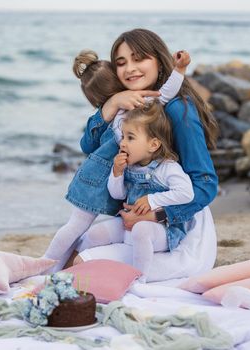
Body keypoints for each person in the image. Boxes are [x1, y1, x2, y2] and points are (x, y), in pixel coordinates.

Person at [72, 28, 219, 280]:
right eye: (121, 63)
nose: (130, 68)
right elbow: (89, 147)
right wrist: (111, 103)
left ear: (159, 62)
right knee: (81, 245)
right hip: (136, 222)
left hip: (178, 229)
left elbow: (206, 185)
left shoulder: (176, 109)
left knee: (81, 264)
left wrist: (157, 213)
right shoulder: (128, 108)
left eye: (139, 58)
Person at [42, 47, 191, 271]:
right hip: (101, 178)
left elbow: (88, 144)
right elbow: (165, 94)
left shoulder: (112, 112)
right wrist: (179, 69)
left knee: (75, 227)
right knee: (76, 227)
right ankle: (46, 266)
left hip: (96, 175)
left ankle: (50, 267)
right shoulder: (132, 108)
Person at [75, 100, 194, 278]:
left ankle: (139, 279)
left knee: (141, 230)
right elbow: (118, 194)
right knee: (95, 232)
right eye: (123, 136)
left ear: (153, 144)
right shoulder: (130, 167)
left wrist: (152, 200)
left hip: (160, 232)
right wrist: (116, 173)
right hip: (128, 226)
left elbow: (186, 193)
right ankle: (77, 269)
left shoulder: (167, 167)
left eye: (130, 137)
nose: (123, 143)